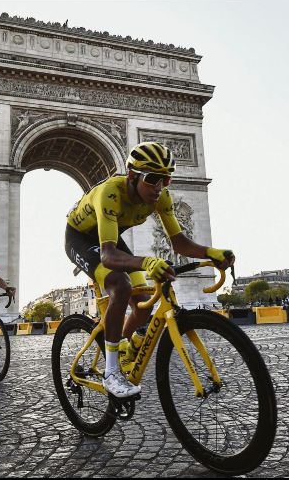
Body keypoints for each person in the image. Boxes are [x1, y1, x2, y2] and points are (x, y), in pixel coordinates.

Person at [64, 141, 234, 398]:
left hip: (110, 237)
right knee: (121, 286)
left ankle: (121, 346)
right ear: (132, 176)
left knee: (143, 305)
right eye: (152, 179)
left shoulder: (160, 197)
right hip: (80, 238)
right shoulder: (109, 193)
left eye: (166, 180)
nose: (159, 187)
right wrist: (147, 262)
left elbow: (179, 242)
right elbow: (109, 256)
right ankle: (111, 372)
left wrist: (211, 252)